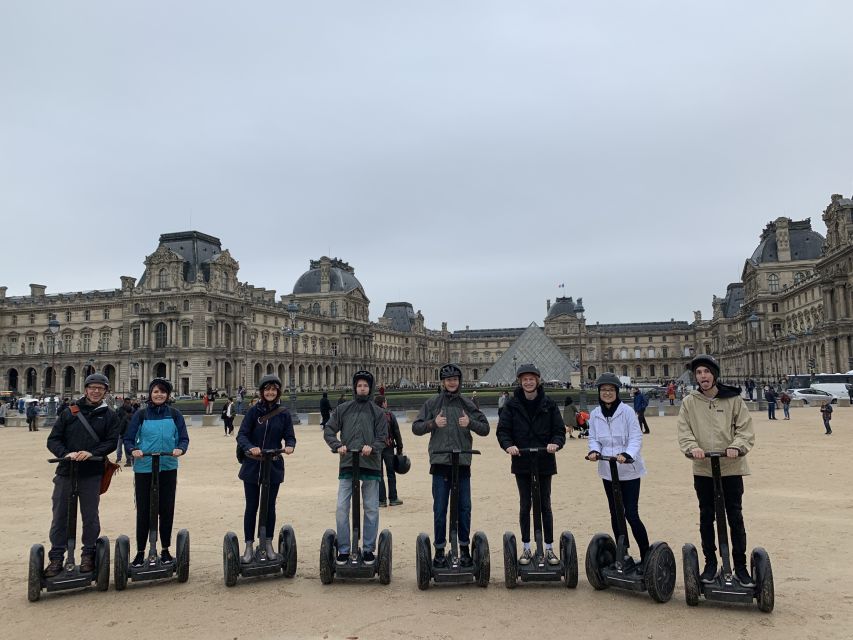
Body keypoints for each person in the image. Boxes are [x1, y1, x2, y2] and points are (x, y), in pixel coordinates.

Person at [677, 355, 755, 587]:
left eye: (706, 372)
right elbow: (684, 431)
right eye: (699, 373)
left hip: (731, 467)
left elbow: (745, 429)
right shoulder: (689, 402)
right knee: (706, 517)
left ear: (714, 375)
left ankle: (740, 567)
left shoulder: (733, 399)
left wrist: (736, 446)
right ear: (695, 377)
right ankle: (710, 563)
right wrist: (692, 448)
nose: (703, 376)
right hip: (703, 469)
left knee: (735, 516)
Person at [413, 363, 489, 568]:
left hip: (462, 462)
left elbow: (485, 428)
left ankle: (463, 548)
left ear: (459, 381)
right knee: (440, 509)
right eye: (448, 380)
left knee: (464, 508)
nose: (451, 382)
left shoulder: (468, 404)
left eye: (454, 379)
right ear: (443, 382)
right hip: (440, 462)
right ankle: (439, 549)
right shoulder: (433, 403)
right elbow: (416, 427)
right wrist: (432, 424)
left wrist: (470, 423)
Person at [43, 373, 119, 577]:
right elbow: (53, 440)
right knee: (60, 516)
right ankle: (57, 557)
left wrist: (92, 453)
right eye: (92, 388)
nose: (96, 391)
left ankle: (88, 554)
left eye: (100, 388)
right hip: (66, 471)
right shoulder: (69, 413)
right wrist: (65, 454)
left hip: (91, 473)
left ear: (105, 392)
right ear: (85, 389)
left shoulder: (110, 415)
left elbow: (112, 442)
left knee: (90, 517)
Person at [496, 363, 565, 566]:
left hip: (544, 459)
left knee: (545, 504)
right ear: (520, 381)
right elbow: (503, 431)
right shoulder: (511, 405)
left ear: (538, 380)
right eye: (524, 379)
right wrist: (509, 446)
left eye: (531, 379)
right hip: (522, 460)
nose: (528, 382)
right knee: (525, 504)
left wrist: (556, 443)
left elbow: (559, 431)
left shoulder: (549, 403)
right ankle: (526, 547)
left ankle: (550, 548)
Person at [586, 373, 650, 570]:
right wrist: (594, 450)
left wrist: (627, 453)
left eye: (611, 390)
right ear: (599, 392)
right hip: (608, 470)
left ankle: (646, 554)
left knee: (631, 513)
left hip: (629, 470)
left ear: (616, 392)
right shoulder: (595, 414)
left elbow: (636, 438)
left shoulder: (628, 412)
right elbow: (593, 437)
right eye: (604, 390)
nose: (607, 393)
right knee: (615, 514)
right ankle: (624, 553)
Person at [124, 378, 190, 567]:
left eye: (162, 392)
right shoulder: (141, 414)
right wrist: (132, 450)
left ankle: (165, 549)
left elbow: (183, 438)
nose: (159, 394)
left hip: (168, 464)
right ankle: (140, 551)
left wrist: (180, 448)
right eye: (155, 391)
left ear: (168, 395)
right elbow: (129, 438)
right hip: (144, 467)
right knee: (144, 510)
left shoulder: (175, 414)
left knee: (166, 509)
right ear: (150, 394)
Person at [324, 370, 386, 565]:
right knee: (342, 508)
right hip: (349, 462)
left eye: (365, 386)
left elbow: (382, 436)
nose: (362, 388)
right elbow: (329, 430)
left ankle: (368, 549)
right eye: (359, 385)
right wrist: (337, 446)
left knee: (371, 508)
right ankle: (343, 549)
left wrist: (373, 447)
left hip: (370, 464)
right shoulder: (343, 409)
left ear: (370, 388)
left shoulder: (378, 412)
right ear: (354, 387)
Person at [236, 375, 296, 562]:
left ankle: (268, 543)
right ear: (262, 392)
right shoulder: (254, 412)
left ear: (278, 392)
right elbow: (242, 435)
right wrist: (250, 447)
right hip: (253, 464)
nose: (270, 392)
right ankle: (248, 545)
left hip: (273, 464)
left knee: (270, 506)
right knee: (252, 506)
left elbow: (290, 436)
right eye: (267, 389)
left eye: (274, 389)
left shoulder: (284, 413)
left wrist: (290, 445)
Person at [376, 395, 404, 507]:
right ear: (383, 403)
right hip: (389, 447)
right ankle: (393, 498)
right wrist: (400, 448)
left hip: (377, 448)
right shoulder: (390, 415)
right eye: (386, 402)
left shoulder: (373, 415)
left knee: (379, 474)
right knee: (391, 473)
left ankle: (381, 500)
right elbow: (396, 432)